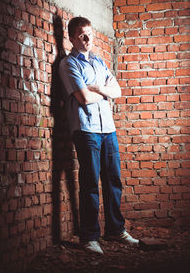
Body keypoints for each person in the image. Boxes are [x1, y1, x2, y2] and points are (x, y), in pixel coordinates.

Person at [59, 16, 139, 254]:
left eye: (90, 34)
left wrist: (99, 90)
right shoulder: (69, 64)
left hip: (108, 129)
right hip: (86, 130)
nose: (87, 38)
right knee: (90, 183)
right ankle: (89, 236)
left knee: (114, 181)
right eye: (82, 35)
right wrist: (104, 93)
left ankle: (115, 230)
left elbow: (118, 90)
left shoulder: (99, 61)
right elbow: (83, 98)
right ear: (72, 38)